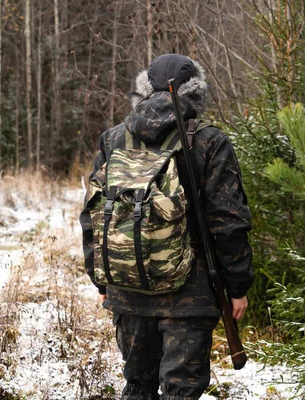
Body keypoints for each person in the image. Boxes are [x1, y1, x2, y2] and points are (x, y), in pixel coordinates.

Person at [79, 54, 253, 400]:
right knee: (181, 392)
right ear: (196, 91)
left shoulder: (114, 139)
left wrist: (101, 277)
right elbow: (228, 222)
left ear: (145, 88)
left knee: (138, 387)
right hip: (191, 295)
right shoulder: (209, 141)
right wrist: (237, 286)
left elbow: (93, 215)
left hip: (128, 290)